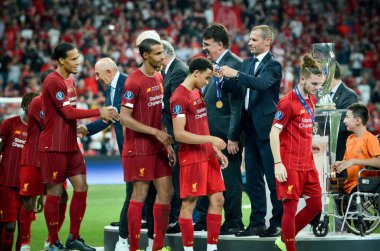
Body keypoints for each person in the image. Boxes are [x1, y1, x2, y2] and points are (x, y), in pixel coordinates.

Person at [39, 42, 120, 251]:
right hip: (54, 146)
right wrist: (98, 111)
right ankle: (53, 241)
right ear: (61, 60)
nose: (78, 62)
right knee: (55, 193)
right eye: (73, 59)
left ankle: (73, 237)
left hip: (70, 145)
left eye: (78, 58)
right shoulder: (53, 81)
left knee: (82, 187)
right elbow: (68, 113)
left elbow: (70, 114)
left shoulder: (70, 81)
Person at [218, 24, 283, 237]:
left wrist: (235, 73)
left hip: (267, 131)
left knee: (273, 180)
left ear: (267, 42)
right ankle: (257, 223)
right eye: (250, 39)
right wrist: (224, 81)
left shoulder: (273, 65)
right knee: (253, 179)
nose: (250, 43)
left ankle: (278, 222)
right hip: (250, 130)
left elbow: (262, 84)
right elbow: (239, 89)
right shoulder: (246, 63)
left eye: (254, 39)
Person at [120, 38, 175, 251]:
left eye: (163, 53)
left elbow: (158, 114)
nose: (162, 57)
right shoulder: (133, 81)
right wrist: (155, 133)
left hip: (158, 146)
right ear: (145, 56)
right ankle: (134, 247)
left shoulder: (160, 77)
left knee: (167, 192)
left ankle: (157, 247)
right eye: (158, 54)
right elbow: (125, 117)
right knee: (140, 195)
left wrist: (167, 144)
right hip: (139, 147)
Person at [171, 57, 228, 251]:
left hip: (208, 155)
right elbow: (179, 134)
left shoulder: (197, 91)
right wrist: (211, 140)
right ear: (195, 73)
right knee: (190, 202)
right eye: (206, 77)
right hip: (192, 158)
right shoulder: (179, 97)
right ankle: (188, 249)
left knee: (218, 199)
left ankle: (212, 248)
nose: (207, 81)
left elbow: (201, 125)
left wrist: (215, 150)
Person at [75, 58, 131, 250]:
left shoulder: (129, 83)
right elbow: (108, 119)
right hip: (126, 149)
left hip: (139, 148)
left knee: (134, 193)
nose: (96, 78)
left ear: (108, 72)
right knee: (135, 192)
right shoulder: (110, 90)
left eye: (98, 74)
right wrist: (87, 130)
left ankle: (124, 238)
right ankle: (131, 233)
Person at [194, 23, 244, 235]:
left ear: (220, 44)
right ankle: (205, 220)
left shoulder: (234, 65)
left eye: (207, 44)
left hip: (225, 135)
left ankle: (233, 221)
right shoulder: (213, 65)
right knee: (208, 178)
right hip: (210, 134)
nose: (204, 48)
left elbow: (237, 105)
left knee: (231, 179)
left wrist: (233, 136)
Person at [269, 54, 323, 251]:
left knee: (316, 205)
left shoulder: (311, 100)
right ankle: (289, 247)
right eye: (314, 83)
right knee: (289, 210)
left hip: (307, 163)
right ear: (302, 79)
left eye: (320, 84)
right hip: (289, 163)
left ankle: (284, 239)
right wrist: (278, 163)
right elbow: (273, 133)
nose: (317, 87)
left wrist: (309, 145)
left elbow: (302, 128)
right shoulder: (287, 102)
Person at [18, 70, 69, 251]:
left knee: (62, 197)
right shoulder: (37, 102)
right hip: (34, 158)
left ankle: (51, 239)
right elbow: (53, 127)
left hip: (54, 157)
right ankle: (25, 243)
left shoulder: (61, 102)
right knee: (28, 201)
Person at [0, 92, 38, 251]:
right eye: (33, 104)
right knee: (9, 226)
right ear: (24, 106)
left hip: (29, 187)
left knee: (25, 228)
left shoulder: (40, 129)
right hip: (8, 183)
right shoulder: (9, 124)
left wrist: (41, 193)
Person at [161, 39, 189, 233]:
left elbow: (175, 104)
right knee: (175, 177)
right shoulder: (168, 71)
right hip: (171, 133)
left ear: (162, 53)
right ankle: (176, 218)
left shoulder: (179, 70)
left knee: (180, 178)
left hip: (178, 133)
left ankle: (181, 219)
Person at [332, 103, 380, 194]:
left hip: (362, 185)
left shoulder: (370, 139)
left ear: (357, 120)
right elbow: (347, 162)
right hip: (348, 184)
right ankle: (332, 200)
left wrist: (354, 161)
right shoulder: (350, 139)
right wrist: (340, 164)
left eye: (347, 117)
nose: (344, 120)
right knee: (331, 177)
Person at [329, 62, 358, 162]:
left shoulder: (348, 95)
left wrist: (323, 127)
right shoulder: (322, 96)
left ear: (329, 75)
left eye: (321, 75)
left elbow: (347, 124)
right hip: (326, 151)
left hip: (341, 154)